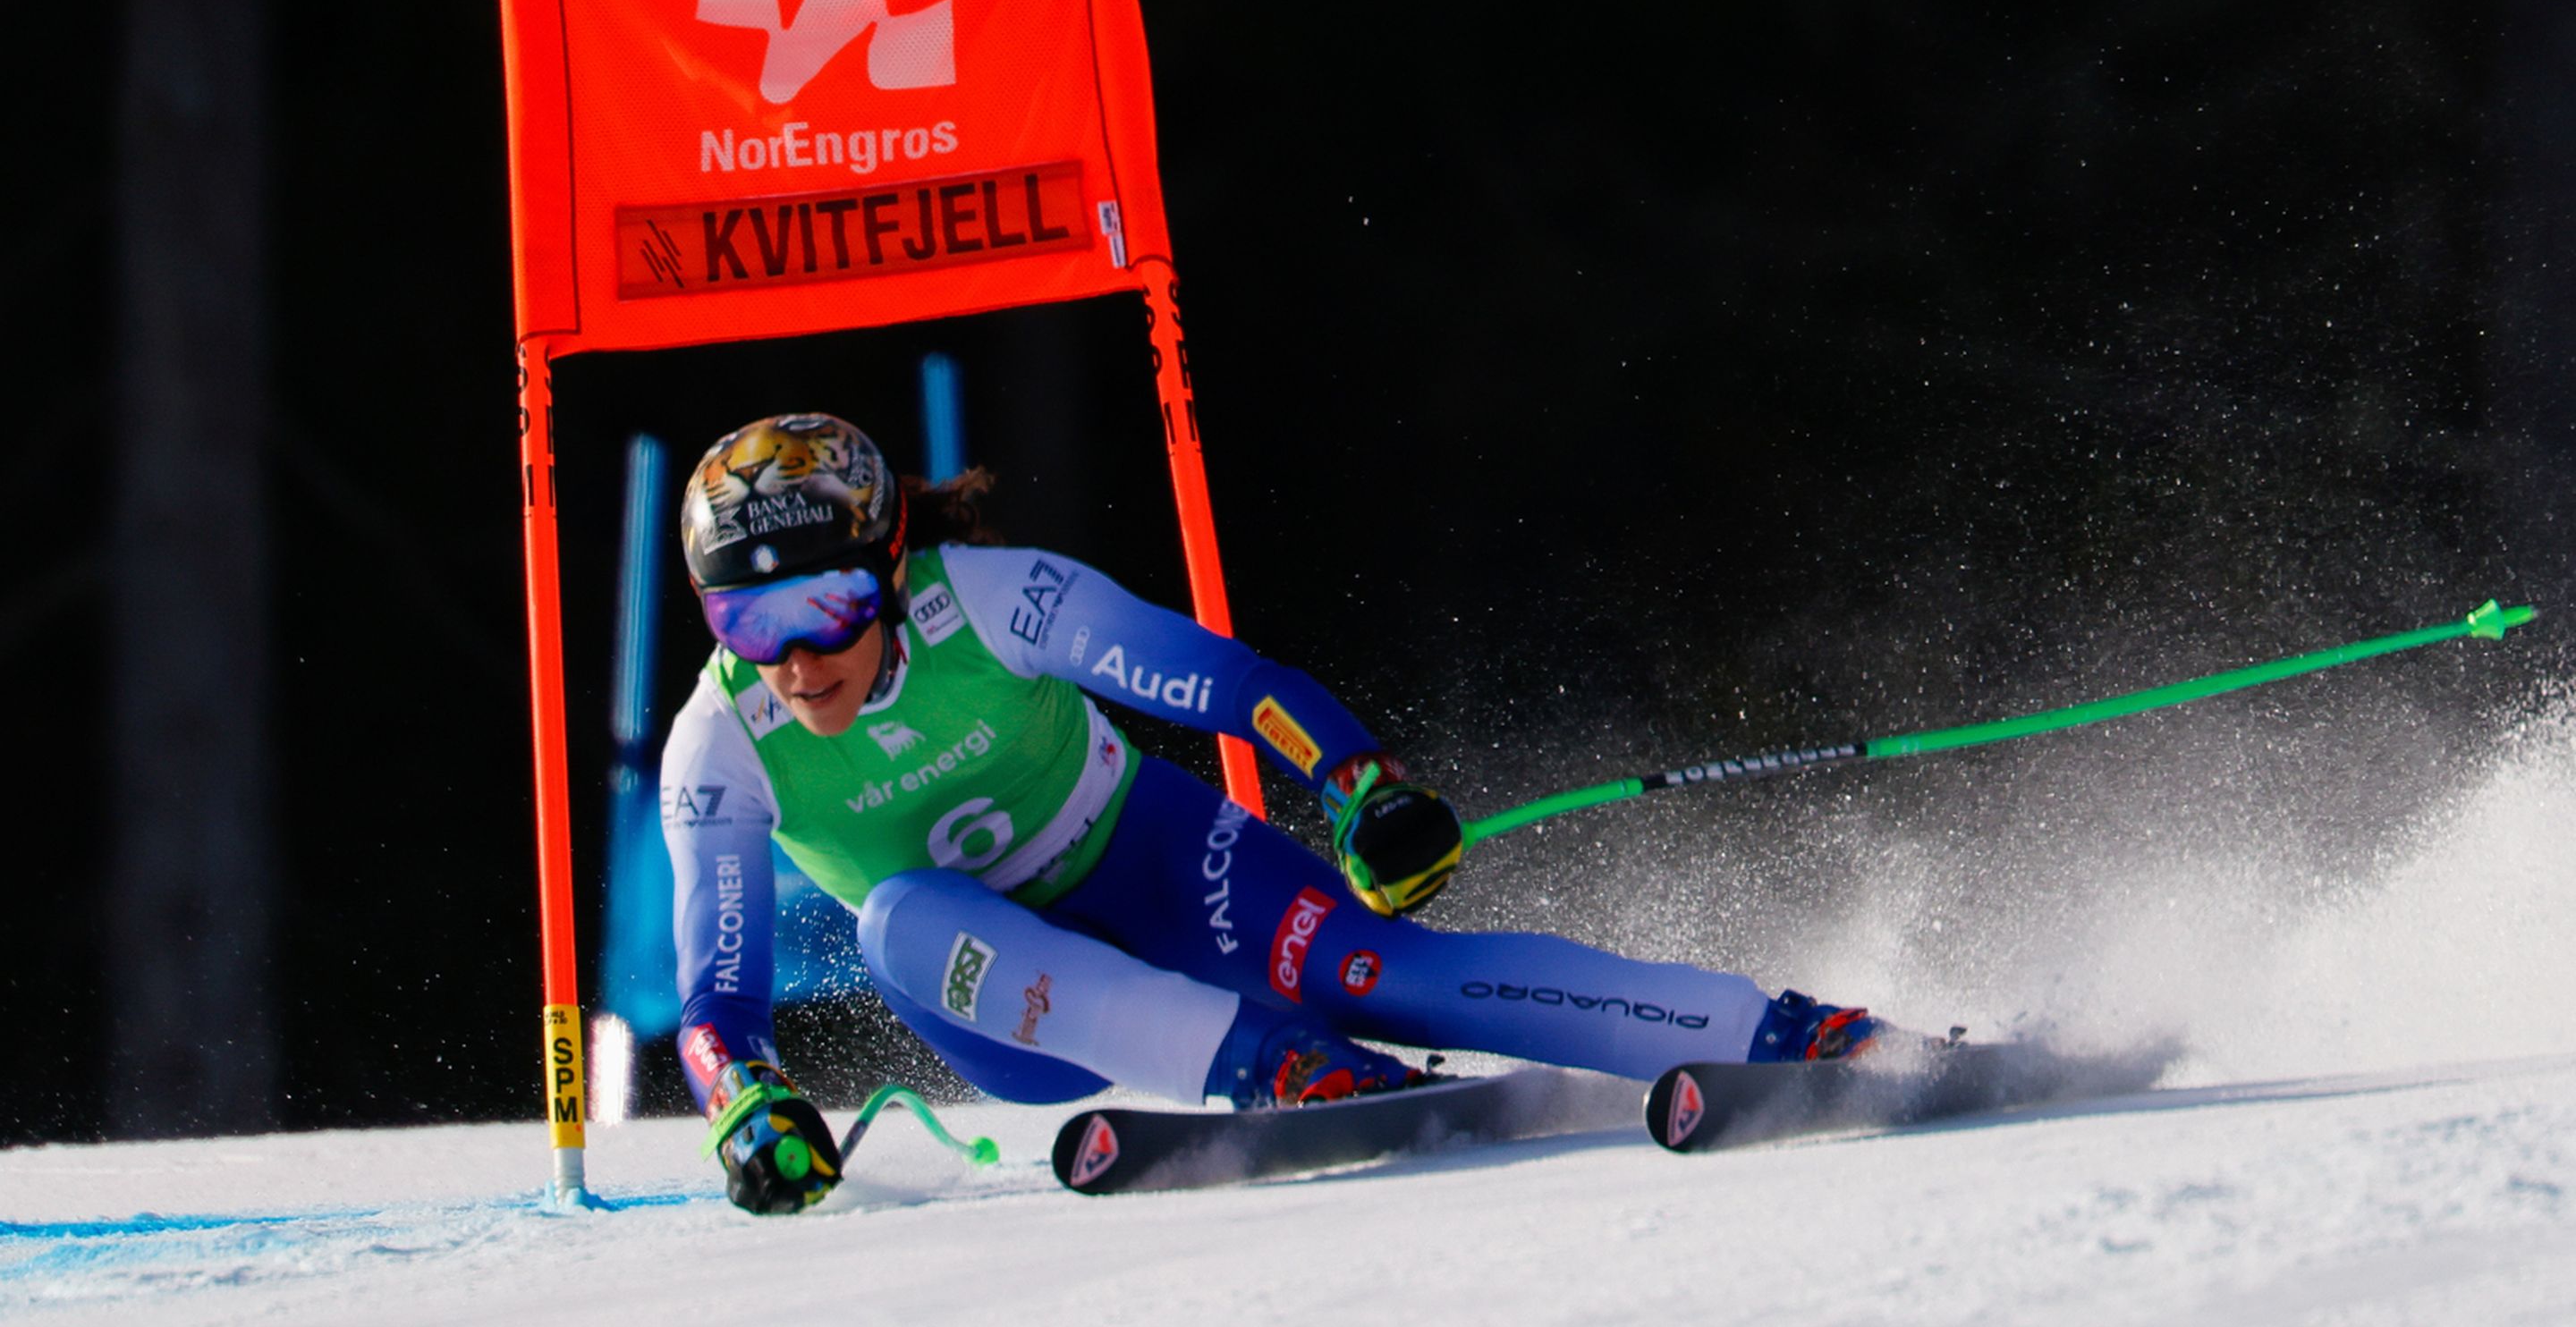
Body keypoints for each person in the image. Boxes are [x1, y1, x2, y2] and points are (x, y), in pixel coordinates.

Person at [663, 412, 1887, 1213]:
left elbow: (1225, 685)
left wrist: (1357, 783)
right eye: (743, 621)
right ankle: (1276, 1068)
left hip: (1153, 858)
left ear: (883, 570)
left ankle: (1777, 1031)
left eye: (817, 609)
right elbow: (719, 1004)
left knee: (1375, 965)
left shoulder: (992, 602)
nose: (791, 659)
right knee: (896, 919)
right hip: (1011, 1014)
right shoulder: (721, 746)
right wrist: (749, 1102)